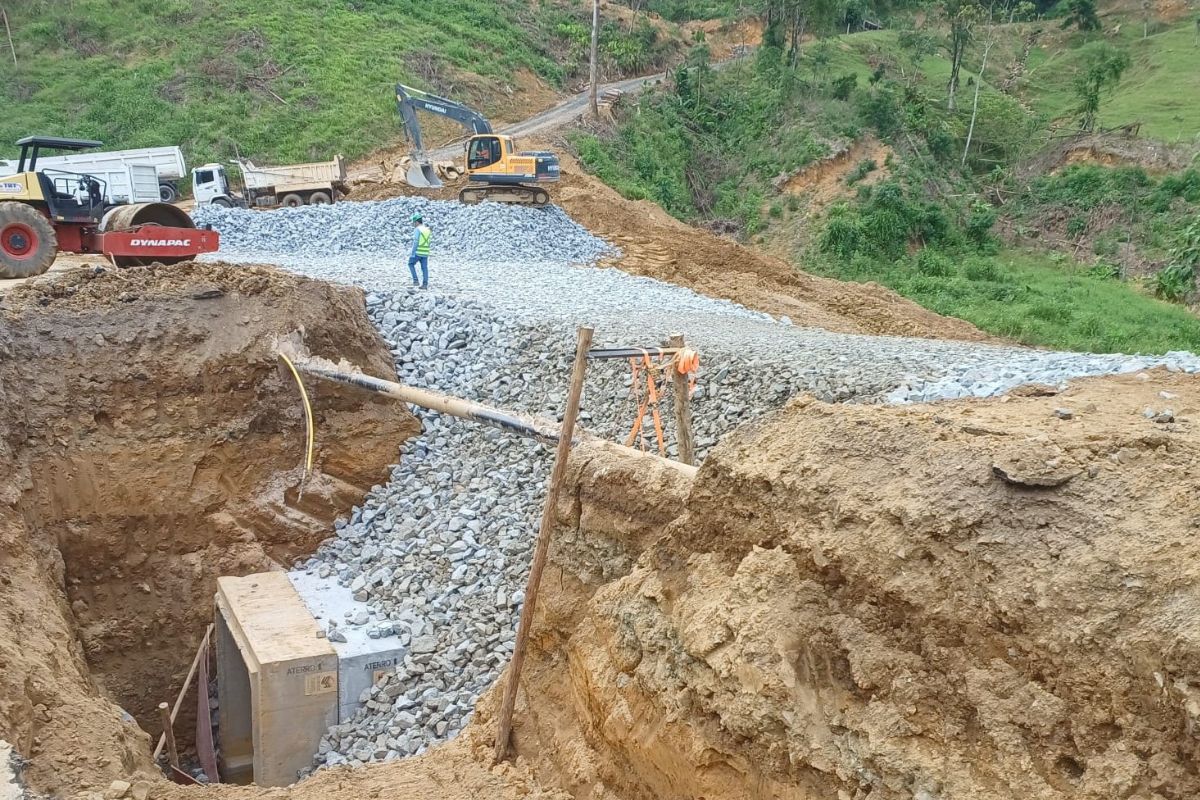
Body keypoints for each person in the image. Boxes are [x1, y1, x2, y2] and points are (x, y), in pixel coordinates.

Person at [407, 212, 431, 288]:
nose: (413, 224)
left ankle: (415, 281)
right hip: (425, 252)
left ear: (417, 222)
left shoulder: (417, 229)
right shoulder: (427, 229)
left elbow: (416, 241)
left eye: (414, 222)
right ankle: (425, 284)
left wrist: (413, 253)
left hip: (418, 251)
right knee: (424, 268)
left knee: (410, 264)